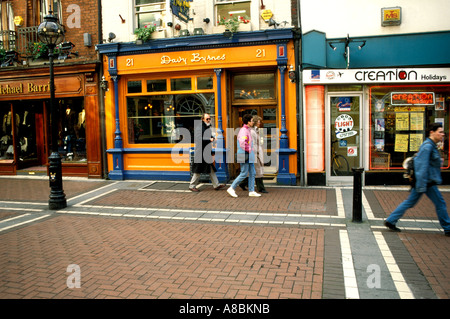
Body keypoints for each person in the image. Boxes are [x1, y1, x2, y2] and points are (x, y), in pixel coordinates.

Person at [384, 123, 450, 236]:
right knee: (440, 203)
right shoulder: (427, 146)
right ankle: (448, 228)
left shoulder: (431, 145)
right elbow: (421, 166)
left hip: (424, 182)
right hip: (426, 182)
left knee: (410, 202)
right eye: (440, 132)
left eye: (442, 132)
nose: (442, 134)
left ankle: (391, 220)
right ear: (432, 132)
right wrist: (421, 185)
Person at [227, 114, 261, 198]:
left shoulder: (247, 130)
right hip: (245, 154)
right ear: (248, 122)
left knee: (252, 172)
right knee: (244, 173)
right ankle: (231, 188)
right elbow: (242, 143)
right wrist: (250, 150)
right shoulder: (243, 130)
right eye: (252, 120)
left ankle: (251, 191)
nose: (253, 122)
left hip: (248, 155)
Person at [189, 113, 225, 192]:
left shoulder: (206, 127)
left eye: (209, 119)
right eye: (207, 119)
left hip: (206, 151)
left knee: (210, 168)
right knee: (198, 169)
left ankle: (216, 185)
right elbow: (199, 139)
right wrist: (209, 139)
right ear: (203, 119)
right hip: (200, 152)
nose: (209, 120)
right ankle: (192, 185)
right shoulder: (200, 127)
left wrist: (211, 140)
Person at [239, 115, 268, 193]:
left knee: (253, 171)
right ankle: (261, 188)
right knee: (257, 171)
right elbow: (253, 144)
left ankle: (243, 183)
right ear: (255, 122)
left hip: (256, 153)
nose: (260, 123)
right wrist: (256, 152)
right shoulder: (252, 131)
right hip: (255, 154)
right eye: (258, 121)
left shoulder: (256, 130)